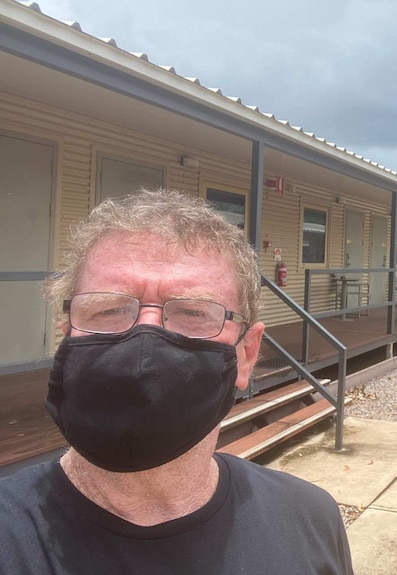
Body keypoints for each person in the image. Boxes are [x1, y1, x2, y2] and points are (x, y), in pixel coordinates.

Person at [0, 189, 353, 574]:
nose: (144, 341)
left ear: (246, 354)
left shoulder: (311, 520)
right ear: (67, 333)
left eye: (192, 312)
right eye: (109, 308)